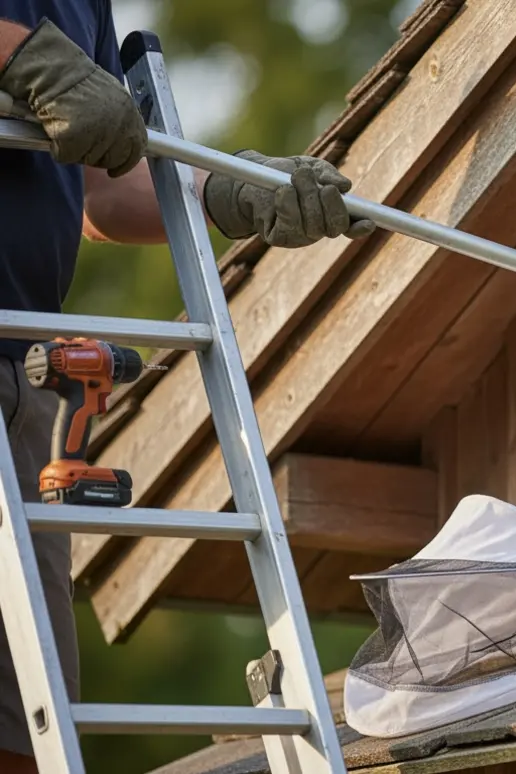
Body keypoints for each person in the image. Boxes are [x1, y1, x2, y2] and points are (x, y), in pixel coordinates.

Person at [0, 4, 376, 770]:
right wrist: (27, 60)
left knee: (26, 726)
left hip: (22, 373)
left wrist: (228, 190)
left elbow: (102, 190)